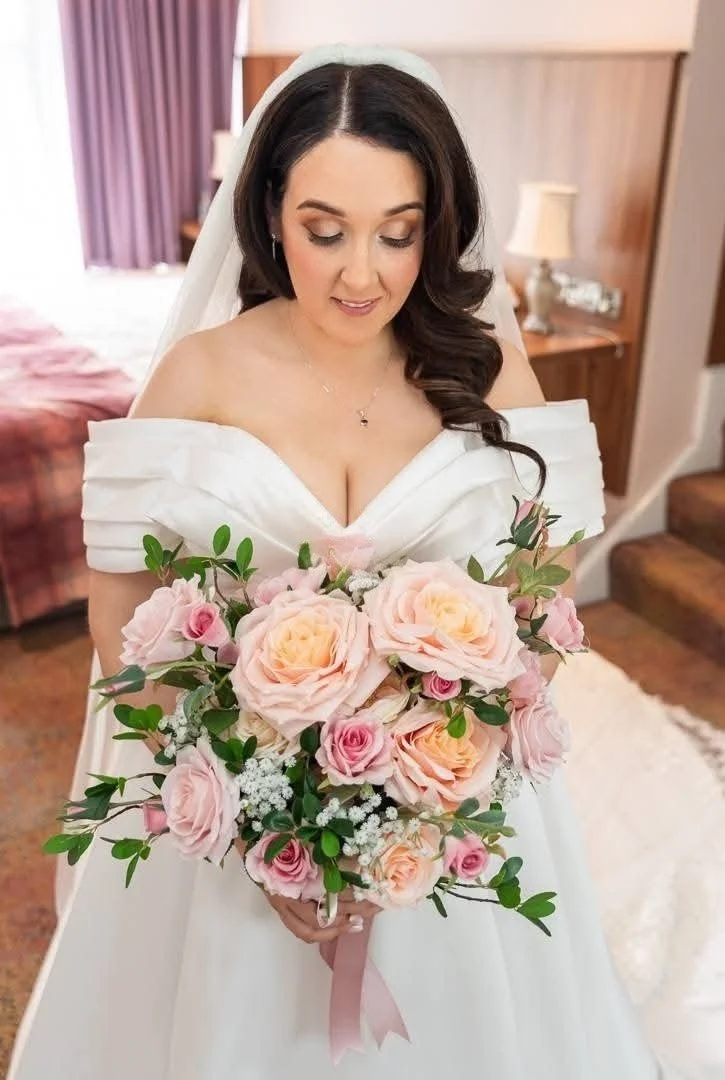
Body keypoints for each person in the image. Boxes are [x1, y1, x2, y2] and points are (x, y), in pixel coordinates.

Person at [8, 45, 686, 1079]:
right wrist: (244, 804)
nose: (359, 272)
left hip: (446, 804)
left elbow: (542, 576)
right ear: (271, 208)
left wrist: (441, 765)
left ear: (435, 222)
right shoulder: (200, 371)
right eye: (324, 231)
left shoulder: (485, 361)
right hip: (238, 816)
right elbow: (121, 609)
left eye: (396, 233)